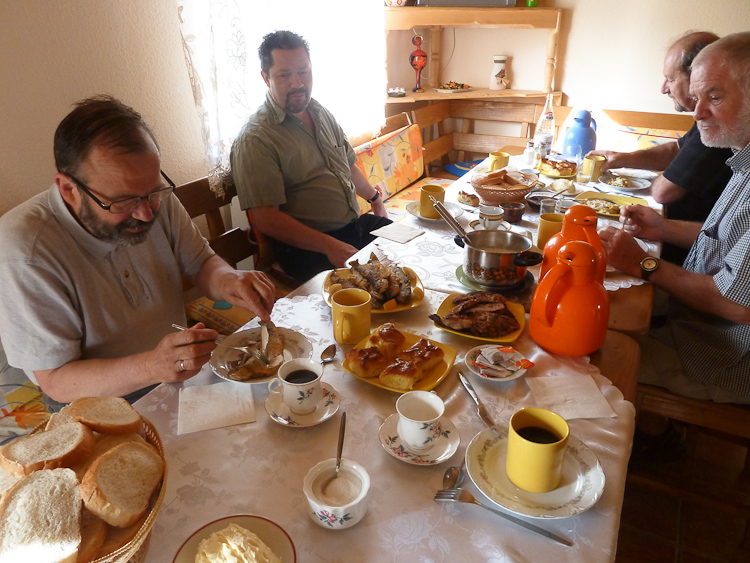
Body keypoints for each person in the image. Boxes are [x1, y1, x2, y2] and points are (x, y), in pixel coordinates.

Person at [0, 96, 276, 408]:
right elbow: (56, 381)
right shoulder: (25, 249)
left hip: (174, 374)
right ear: (68, 189)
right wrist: (152, 366)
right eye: (123, 201)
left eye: (153, 193)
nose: (145, 213)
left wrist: (229, 279)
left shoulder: (149, 193)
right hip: (96, 404)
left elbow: (200, 263)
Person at [599, 31, 750, 405]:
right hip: (696, 320)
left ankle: (656, 429)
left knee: (586, 354)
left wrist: (643, 264)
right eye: (697, 98)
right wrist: (663, 228)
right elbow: (729, 243)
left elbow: (738, 305)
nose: (698, 113)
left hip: (718, 357)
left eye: (715, 97)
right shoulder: (742, 160)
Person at [230, 30, 391, 282]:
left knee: (412, 250)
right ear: (265, 78)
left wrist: (375, 199)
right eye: (284, 75)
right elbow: (265, 219)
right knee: (377, 290)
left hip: (354, 227)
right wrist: (330, 246)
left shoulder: (319, 112)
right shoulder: (256, 138)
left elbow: (347, 164)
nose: (297, 83)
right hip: (308, 248)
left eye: (303, 71)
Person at [589, 32, 733, 264]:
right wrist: (623, 158)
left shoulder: (719, 126)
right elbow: (676, 149)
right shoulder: (705, 118)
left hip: (690, 257)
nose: (663, 88)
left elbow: (662, 192)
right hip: (680, 238)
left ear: (697, 76)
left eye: (671, 79)